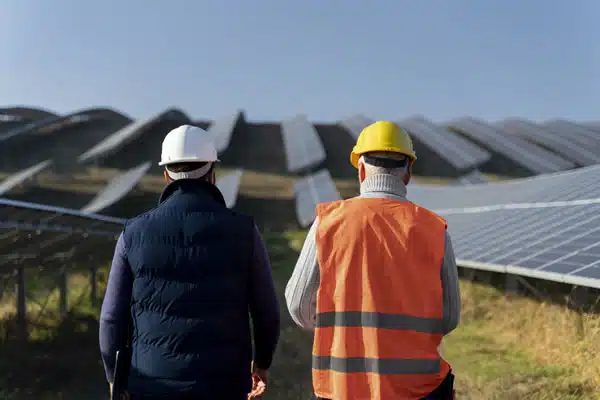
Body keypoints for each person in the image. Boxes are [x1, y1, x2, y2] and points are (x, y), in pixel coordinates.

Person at [99, 124, 280, 399]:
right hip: (225, 386)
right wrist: (261, 364)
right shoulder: (245, 231)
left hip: (151, 386)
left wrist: (115, 378)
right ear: (212, 174)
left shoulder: (132, 234)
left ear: (166, 176)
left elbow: (111, 318)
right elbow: (267, 312)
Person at [285, 121, 461, 400]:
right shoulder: (434, 230)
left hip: (344, 388)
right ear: (408, 173)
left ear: (362, 169)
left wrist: (344, 333)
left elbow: (298, 304)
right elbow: (450, 317)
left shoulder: (328, 223)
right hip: (420, 390)